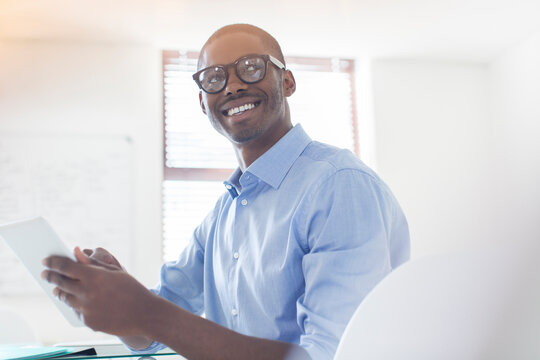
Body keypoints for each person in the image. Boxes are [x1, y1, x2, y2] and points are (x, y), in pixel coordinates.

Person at [42, 24, 410, 360]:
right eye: (214, 78)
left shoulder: (339, 187)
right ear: (203, 103)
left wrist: (146, 311)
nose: (232, 86)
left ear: (287, 82)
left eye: (251, 68)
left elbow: (331, 356)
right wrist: (121, 295)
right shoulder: (224, 213)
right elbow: (151, 336)